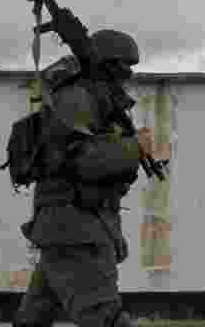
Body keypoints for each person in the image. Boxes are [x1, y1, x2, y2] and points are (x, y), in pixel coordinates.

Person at [13, 29, 143, 327]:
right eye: (124, 70)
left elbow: (102, 176)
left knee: (33, 320)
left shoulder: (97, 100)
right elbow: (80, 159)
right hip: (76, 230)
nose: (127, 79)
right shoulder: (75, 97)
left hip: (76, 228)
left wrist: (112, 232)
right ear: (108, 65)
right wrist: (135, 148)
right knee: (105, 318)